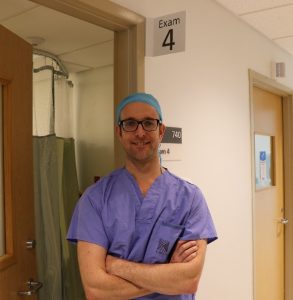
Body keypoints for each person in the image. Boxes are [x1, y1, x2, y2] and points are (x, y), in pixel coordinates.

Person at [67, 92, 217, 300]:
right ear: (119, 132)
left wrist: (117, 266)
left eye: (148, 123)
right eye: (130, 123)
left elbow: (188, 281)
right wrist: (167, 274)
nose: (140, 133)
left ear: (161, 130)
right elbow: (96, 289)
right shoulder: (94, 200)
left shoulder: (190, 198)